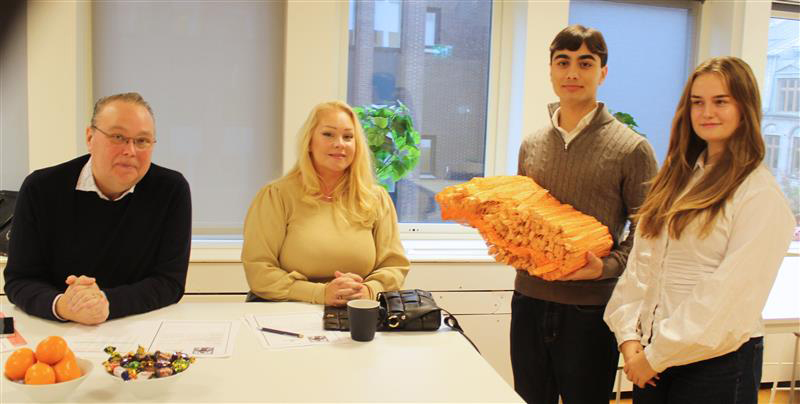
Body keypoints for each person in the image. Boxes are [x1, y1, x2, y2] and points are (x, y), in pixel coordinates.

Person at [604, 57, 794, 403]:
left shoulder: (758, 193)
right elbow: (642, 269)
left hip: (715, 366)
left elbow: (728, 297)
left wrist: (654, 356)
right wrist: (630, 340)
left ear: (745, 107)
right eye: (697, 102)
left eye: (721, 101)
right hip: (652, 357)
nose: (707, 112)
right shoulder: (677, 179)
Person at [511, 25, 658, 404]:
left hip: (591, 309)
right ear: (551, 70)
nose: (572, 73)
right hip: (528, 300)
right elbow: (520, 218)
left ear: (602, 73)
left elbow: (648, 235)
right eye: (563, 62)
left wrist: (606, 267)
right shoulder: (531, 145)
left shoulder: (632, 149)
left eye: (585, 63)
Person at [4, 92, 191, 325]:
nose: (130, 151)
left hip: (139, 326)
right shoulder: (40, 188)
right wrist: (63, 305)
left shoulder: (171, 190)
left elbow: (169, 282)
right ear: (90, 137)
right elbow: (19, 280)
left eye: (142, 141)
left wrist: (104, 302)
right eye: (118, 137)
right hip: (56, 328)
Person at [242, 100, 408, 305]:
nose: (339, 143)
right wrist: (319, 293)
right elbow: (259, 271)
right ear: (309, 142)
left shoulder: (376, 199)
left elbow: (394, 266)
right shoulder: (276, 196)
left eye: (348, 137)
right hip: (288, 313)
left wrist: (368, 290)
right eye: (328, 134)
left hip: (358, 311)